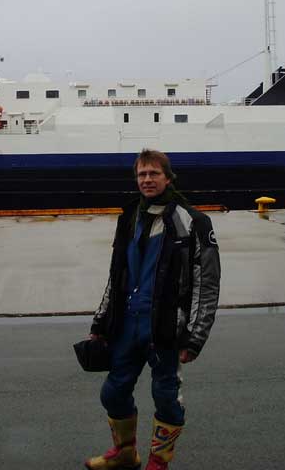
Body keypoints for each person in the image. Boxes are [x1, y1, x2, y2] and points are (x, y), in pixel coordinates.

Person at [85, 149, 221, 470]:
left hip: (166, 327)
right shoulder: (130, 216)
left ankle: (158, 463)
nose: (147, 180)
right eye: (142, 174)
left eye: (153, 173)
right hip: (127, 323)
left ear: (168, 178)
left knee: (166, 397)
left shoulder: (193, 221)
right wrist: (100, 322)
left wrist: (195, 337)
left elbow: (207, 284)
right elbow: (116, 275)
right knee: (113, 393)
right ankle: (125, 454)